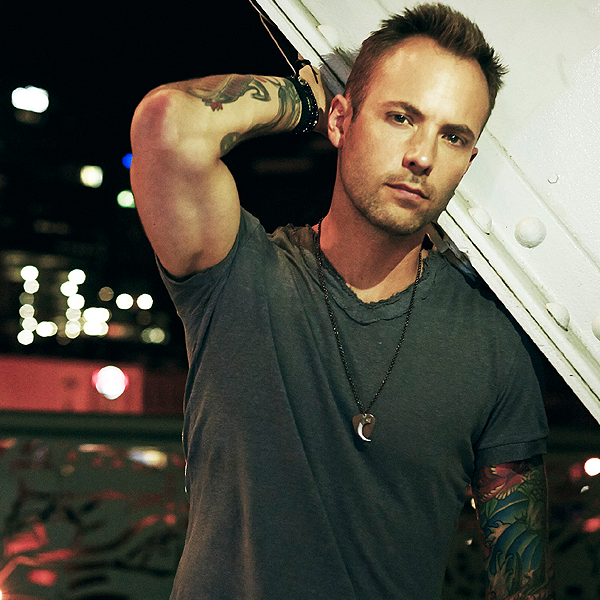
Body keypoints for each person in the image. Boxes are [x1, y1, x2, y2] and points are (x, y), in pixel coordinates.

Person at [130, 3, 553, 599]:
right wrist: (303, 99)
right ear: (340, 121)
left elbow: (522, 583)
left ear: (467, 160)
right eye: (401, 117)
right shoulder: (240, 278)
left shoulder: (492, 347)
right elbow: (167, 125)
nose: (422, 155)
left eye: (453, 136)